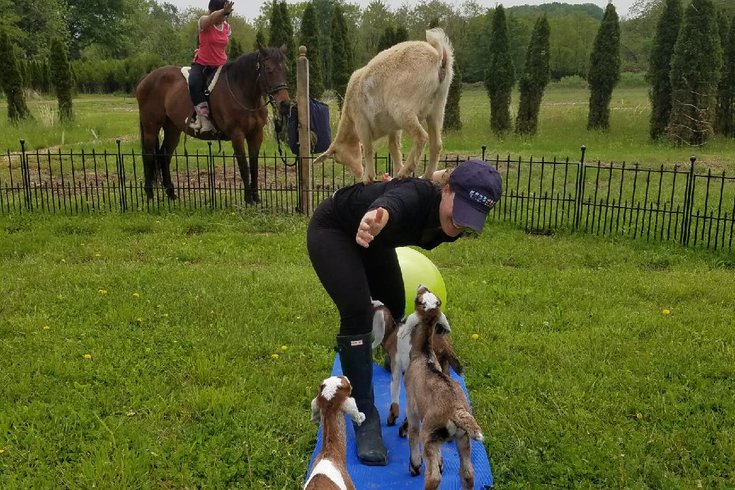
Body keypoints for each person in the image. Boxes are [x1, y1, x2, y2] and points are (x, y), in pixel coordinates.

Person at [306, 160, 503, 465]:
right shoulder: (416, 196)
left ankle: (391, 355)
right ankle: (366, 417)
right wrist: (379, 213)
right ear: (447, 191)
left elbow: (434, 177)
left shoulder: (447, 205)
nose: (462, 222)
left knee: (394, 305)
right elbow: (398, 199)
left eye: (473, 216)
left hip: (376, 240)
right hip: (336, 229)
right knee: (358, 310)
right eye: (460, 208)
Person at [188, 0, 234, 135]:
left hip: (221, 65)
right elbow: (212, 18)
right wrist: (223, 11)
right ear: (213, 11)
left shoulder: (227, 27)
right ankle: (203, 119)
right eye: (223, 14)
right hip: (202, 64)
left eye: (226, 15)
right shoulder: (203, 21)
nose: (224, 17)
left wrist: (224, 14)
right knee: (194, 83)